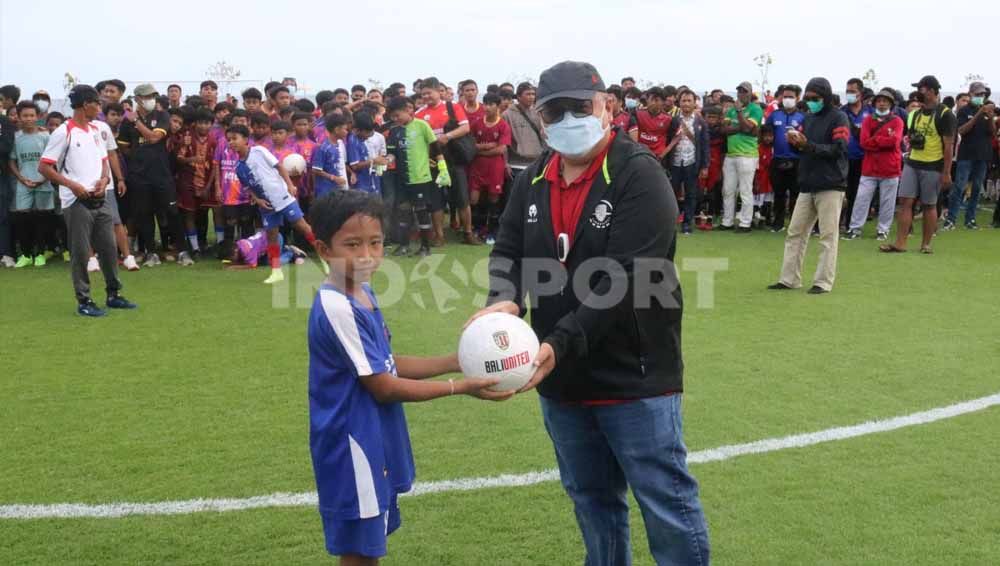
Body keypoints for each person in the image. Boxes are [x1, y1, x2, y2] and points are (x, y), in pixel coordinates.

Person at [473, 60, 710, 565]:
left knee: (665, 503)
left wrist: (556, 343)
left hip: (633, 374)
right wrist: (503, 300)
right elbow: (508, 251)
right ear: (539, 116)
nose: (567, 119)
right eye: (554, 111)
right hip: (562, 379)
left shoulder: (639, 173)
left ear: (607, 107)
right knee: (591, 500)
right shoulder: (534, 176)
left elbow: (625, 278)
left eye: (580, 106)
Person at [305, 190, 508, 565]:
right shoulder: (338, 306)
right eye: (352, 244)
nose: (367, 255)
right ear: (323, 248)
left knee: (370, 545)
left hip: (373, 434)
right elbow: (382, 387)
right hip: (352, 444)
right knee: (360, 553)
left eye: (375, 242)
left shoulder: (361, 290)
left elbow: (388, 363)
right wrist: (459, 387)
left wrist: (457, 360)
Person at [38, 85, 137, 316]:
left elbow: (104, 160)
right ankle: (84, 300)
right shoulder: (63, 132)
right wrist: (73, 185)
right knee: (81, 252)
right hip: (76, 201)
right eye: (97, 103)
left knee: (109, 248)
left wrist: (104, 180)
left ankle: (114, 294)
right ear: (86, 104)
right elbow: (44, 166)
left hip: (100, 197)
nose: (100, 107)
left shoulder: (96, 130)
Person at [768, 77, 850, 294]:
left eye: (815, 98)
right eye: (809, 98)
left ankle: (823, 282)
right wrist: (796, 144)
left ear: (825, 96)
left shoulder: (839, 118)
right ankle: (789, 279)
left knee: (827, 236)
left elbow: (839, 149)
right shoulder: (809, 118)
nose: (811, 101)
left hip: (831, 185)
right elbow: (804, 148)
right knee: (795, 232)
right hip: (808, 183)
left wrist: (808, 145)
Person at [228, 124, 319, 284]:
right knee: (271, 235)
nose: (232, 142)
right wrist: (257, 200)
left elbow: (279, 167)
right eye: (229, 140)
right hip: (266, 205)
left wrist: (290, 185)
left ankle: (324, 255)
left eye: (235, 138)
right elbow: (248, 188)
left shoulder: (259, 151)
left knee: (302, 226)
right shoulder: (238, 167)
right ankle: (276, 271)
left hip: (282, 196)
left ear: (245, 140)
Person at [118, 83, 194, 266]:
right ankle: (151, 253)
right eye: (146, 97)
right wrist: (139, 157)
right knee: (144, 214)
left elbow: (154, 137)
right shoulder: (126, 122)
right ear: (137, 99)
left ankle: (183, 251)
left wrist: (136, 122)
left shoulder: (162, 116)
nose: (150, 100)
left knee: (172, 212)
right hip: (139, 176)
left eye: (152, 96)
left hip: (161, 174)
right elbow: (123, 146)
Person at [881, 76, 956, 254]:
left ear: (931, 91)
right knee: (905, 201)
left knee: (929, 204)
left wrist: (946, 172)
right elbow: (911, 138)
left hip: (933, 165)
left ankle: (926, 244)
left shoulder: (946, 114)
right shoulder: (914, 114)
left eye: (921, 89)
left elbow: (949, 145)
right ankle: (900, 243)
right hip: (913, 162)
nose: (917, 93)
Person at [415, 77, 479, 246]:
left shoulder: (453, 107)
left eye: (429, 93)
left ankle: (468, 233)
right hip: (433, 162)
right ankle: (439, 236)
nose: (426, 97)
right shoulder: (419, 114)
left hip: (454, 158)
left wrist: (448, 136)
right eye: (423, 94)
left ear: (438, 91)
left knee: (462, 198)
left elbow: (465, 127)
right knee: (435, 201)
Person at [384, 95, 451, 258]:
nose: (395, 119)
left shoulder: (422, 126)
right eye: (392, 117)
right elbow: (391, 154)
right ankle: (404, 245)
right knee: (404, 212)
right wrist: (385, 160)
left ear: (408, 110)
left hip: (420, 178)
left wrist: (443, 170)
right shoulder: (394, 131)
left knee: (421, 212)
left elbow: (436, 149)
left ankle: (425, 247)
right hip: (402, 179)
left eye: (397, 115)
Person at [843, 88, 904, 241]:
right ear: (875, 103)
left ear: (890, 103)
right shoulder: (868, 120)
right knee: (861, 199)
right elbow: (864, 142)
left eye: (885, 101)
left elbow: (894, 142)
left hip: (890, 168)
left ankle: (883, 230)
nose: (882, 104)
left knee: (887, 202)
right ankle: (855, 229)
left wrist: (875, 140)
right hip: (869, 168)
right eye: (879, 101)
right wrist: (883, 140)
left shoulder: (897, 121)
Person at [8, 101, 56, 267]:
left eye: (32, 115)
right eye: (25, 116)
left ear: (38, 117)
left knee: (42, 220)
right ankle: (26, 254)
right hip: (24, 184)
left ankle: (40, 254)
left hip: (43, 182)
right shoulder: (16, 137)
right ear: (19, 117)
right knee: (23, 218)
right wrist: (22, 179)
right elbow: (12, 161)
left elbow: (52, 161)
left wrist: (43, 178)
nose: (28, 119)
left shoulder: (46, 136)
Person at [944, 82, 995, 230]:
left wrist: (990, 117)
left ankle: (970, 219)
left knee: (977, 188)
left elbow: (991, 132)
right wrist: (979, 113)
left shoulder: (988, 111)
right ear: (971, 93)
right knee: (959, 187)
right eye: (978, 94)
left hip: (983, 154)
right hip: (966, 155)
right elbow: (962, 130)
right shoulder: (964, 110)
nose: (981, 97)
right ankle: (951, 220)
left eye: (983, 94)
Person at [467, 92, 511, 243]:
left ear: (498, 106)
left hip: (495, 168)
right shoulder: (477, 123)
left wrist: (481, 151)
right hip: (477, 167)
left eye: (491, 104)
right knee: (474, 199)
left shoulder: (503, 125)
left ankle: (492, 231)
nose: (487, 107)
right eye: (485, 104)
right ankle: (476, 229)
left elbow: (501, 149)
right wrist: (483, 146)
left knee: (494, 199)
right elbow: (469, 146)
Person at [664, 89, 710, 234]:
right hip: (675, 162)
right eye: (684, 100)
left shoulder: (700, 122)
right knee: (671, 193)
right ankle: (669, 222)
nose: (686, 103)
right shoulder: (674, 120)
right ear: (679, 102)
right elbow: (668, 141)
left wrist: (704, 166)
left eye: (689, 100)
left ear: (694, 102)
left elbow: (704, 145)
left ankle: (687, 223)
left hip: (692, 162)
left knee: (691, 194)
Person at [720, 81, 764, 231]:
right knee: (728, 190)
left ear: (750, 94)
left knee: (745, 191)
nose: (741, 94)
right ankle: (727, 221)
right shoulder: (731, 110)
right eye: (739, 91)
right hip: (731, 155)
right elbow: (724, 130)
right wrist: (742, 127)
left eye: (744, 91)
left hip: (747, 156)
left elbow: (747, 128)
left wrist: (739, 115)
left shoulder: (755, 109)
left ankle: (745, 223)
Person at [175, 108, 218, 255]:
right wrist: (190, 159)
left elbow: (215, 166)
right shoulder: (187, 138)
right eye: (200, 123)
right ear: (195, 123)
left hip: (207, 182)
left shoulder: (214, 141)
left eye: (206, 123)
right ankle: (194, 248)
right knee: (189, 214)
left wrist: (208, 186)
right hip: (188, 182)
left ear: (211, 124)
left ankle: (206, 243)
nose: (203, 126)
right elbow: (179, 159)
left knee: (204, 213)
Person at [765, 84, 805, 232]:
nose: (787, 99)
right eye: (785, 96)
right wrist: (767, 139)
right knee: (779, 193)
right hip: (778, 159)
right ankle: (778, 223)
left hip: (797, 160)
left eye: (791, 97)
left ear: (797, 98)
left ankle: (796, 224)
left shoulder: (803, 117)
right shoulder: (774, 115)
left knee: (796, 193)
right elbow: (766, 134)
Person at [840, 78, 873, 230]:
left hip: (863, 159)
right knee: (839, 192)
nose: (849, 94)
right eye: (848, 91)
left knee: (857, 194)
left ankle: (850, 225)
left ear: (861, 93)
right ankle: (835, 224)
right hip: (843, 158)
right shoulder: (841, 112)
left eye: (853, 91)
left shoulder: (870, 112)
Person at [503, 82, 545, 169]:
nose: (531, 97)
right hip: (516, 163)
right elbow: (504, 143)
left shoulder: (539, 113)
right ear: (518, 97)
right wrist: (505, 163)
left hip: (537, 162)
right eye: (528, 94)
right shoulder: (507, 115)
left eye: (533, 94)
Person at [0, 84, 20, 267]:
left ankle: (6, 253)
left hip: (2, 176)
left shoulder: (4, 122)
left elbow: (6, 147)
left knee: (3, 215)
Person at [312, 113, 350, 197]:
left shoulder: (340, 143)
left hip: (340, 189)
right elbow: (316, 170)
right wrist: (334, 178)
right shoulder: (323, 148)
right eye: (345, 129)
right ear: (336, 130)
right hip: (326, 191)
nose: (347, 132)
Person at [634, 86, 672, 160]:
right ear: (647, 100)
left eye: (656, 100)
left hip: (658, 158)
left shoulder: (669, 119)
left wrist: (663, 154)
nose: (653, 103)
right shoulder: (637, 114)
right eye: (651, 99)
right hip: (640, 155)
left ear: (663, 102)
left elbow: (675, 137)